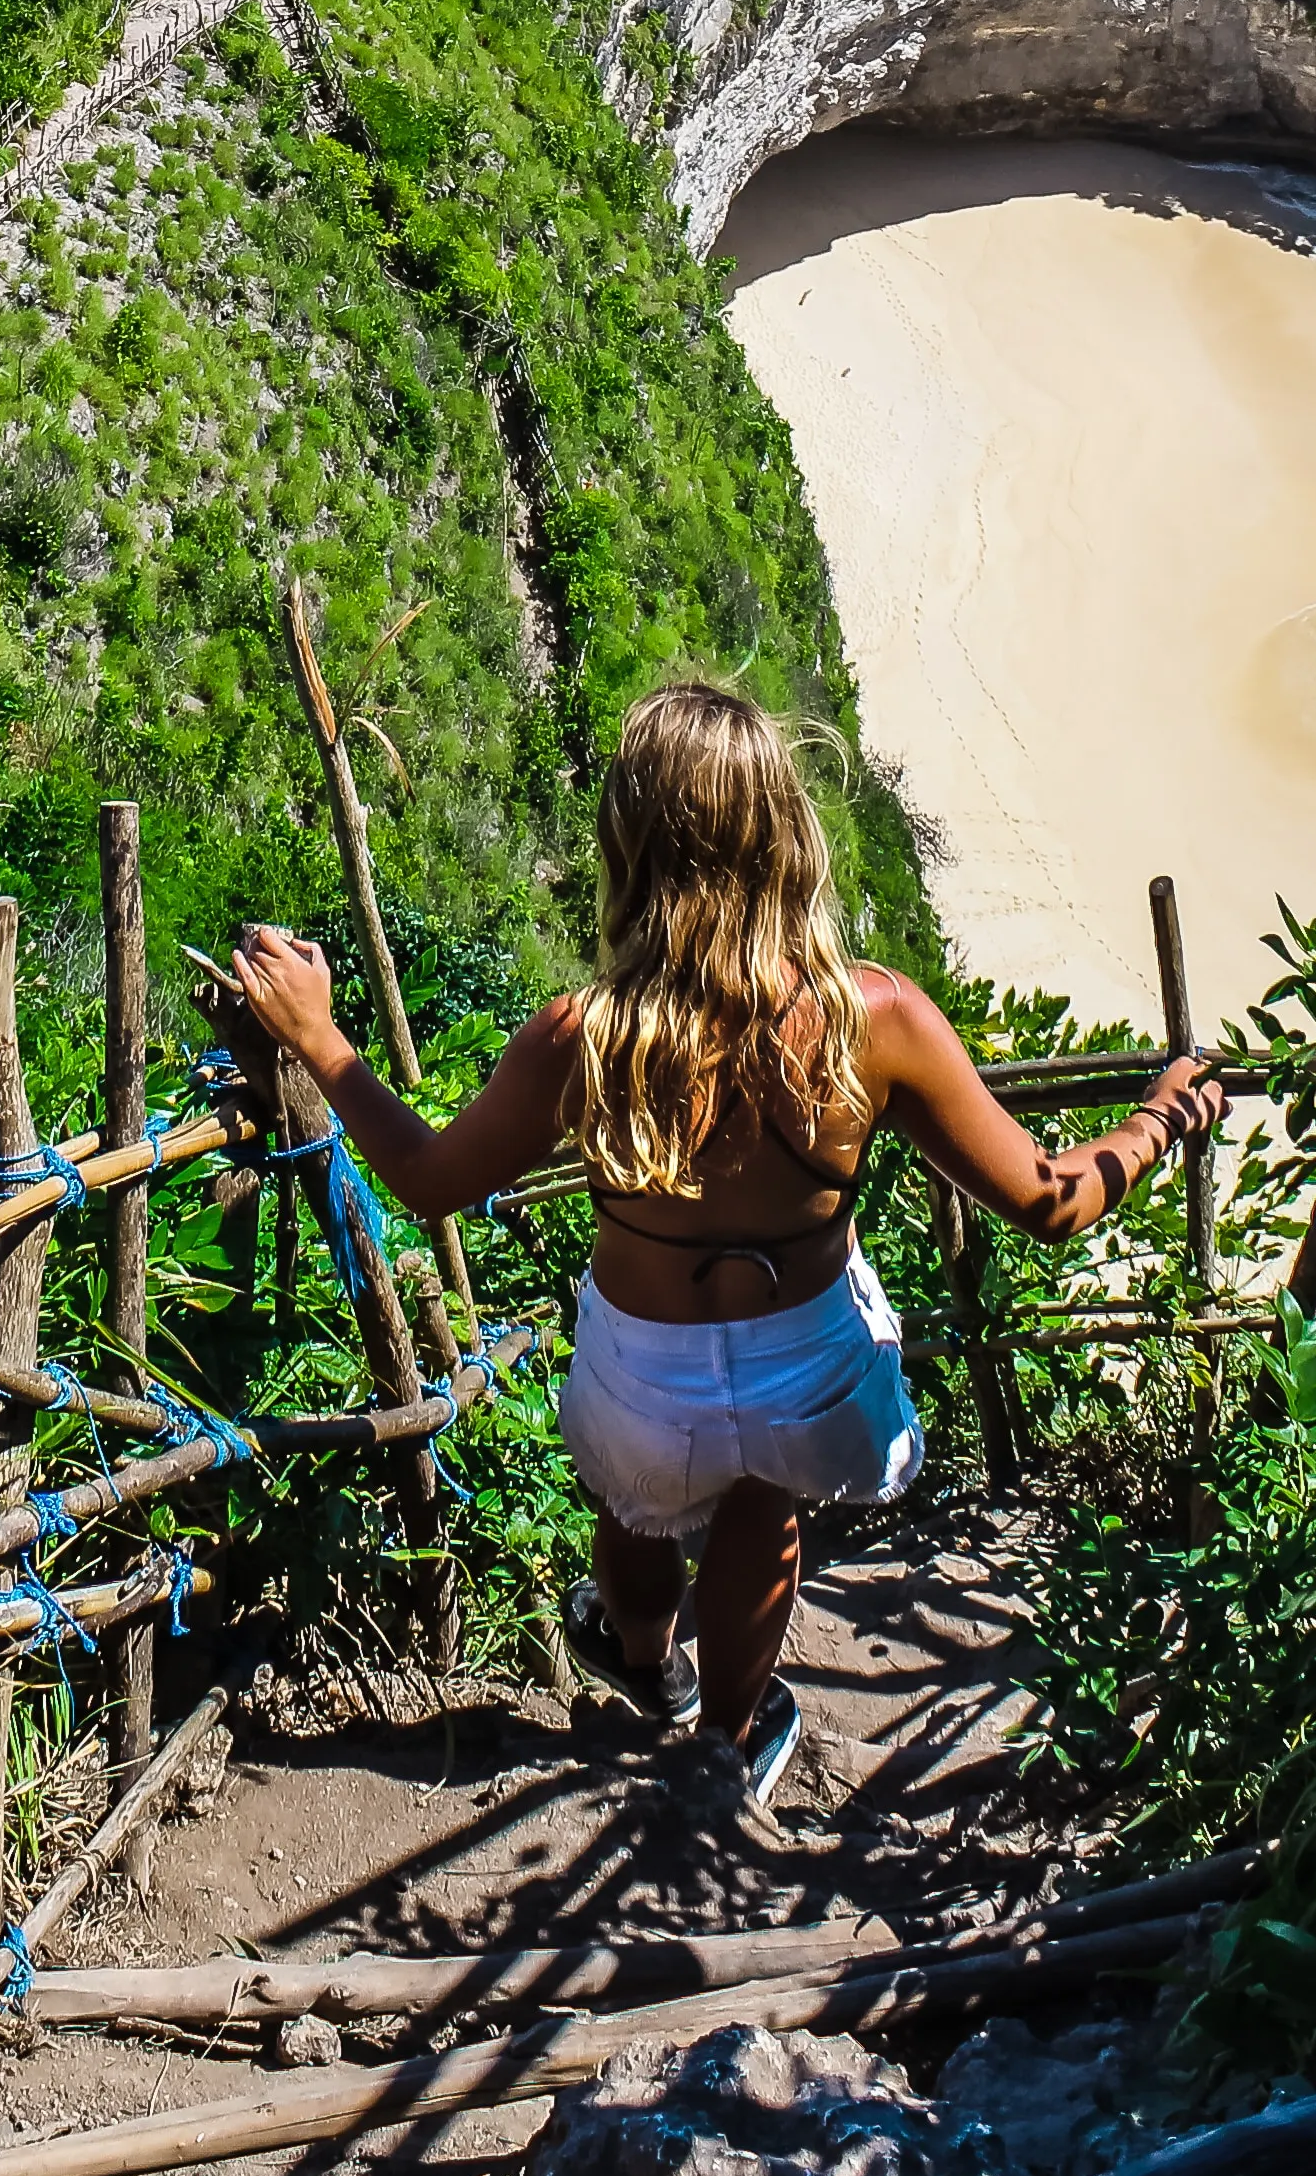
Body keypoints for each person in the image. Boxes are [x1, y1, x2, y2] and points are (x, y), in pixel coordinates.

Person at [227, 675, 1223, 1804]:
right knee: (766, 1510)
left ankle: (648, 1666)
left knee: (638, 1511)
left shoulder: (588, 1036)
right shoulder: (874, 1019)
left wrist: (321, 1038)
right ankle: (732, 1742)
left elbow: (430, 1181)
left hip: (643, 1373)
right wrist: (1159, 1117)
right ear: (786, 836)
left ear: (634, 849)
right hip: (809, 1363)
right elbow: (1052, 1202)